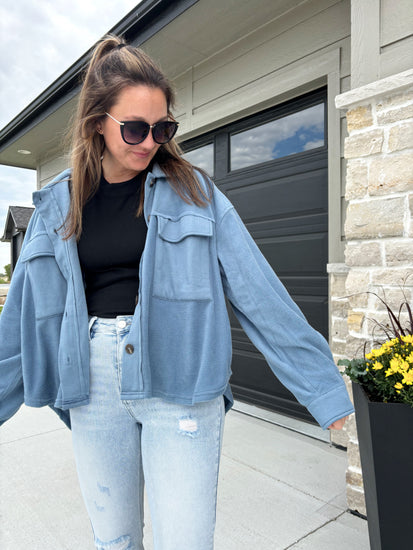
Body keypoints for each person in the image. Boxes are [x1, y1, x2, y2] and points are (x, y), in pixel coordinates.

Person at [0, 35, 354, 550]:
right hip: (93, 383)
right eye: (136, 128)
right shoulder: (56, 204)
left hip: (182, 379)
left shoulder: (197, 194)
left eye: (163, 128)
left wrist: (321, 388)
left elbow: (260, 294)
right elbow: (22, 314)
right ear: (97, 122)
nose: (150, 141)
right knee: (114, 540)